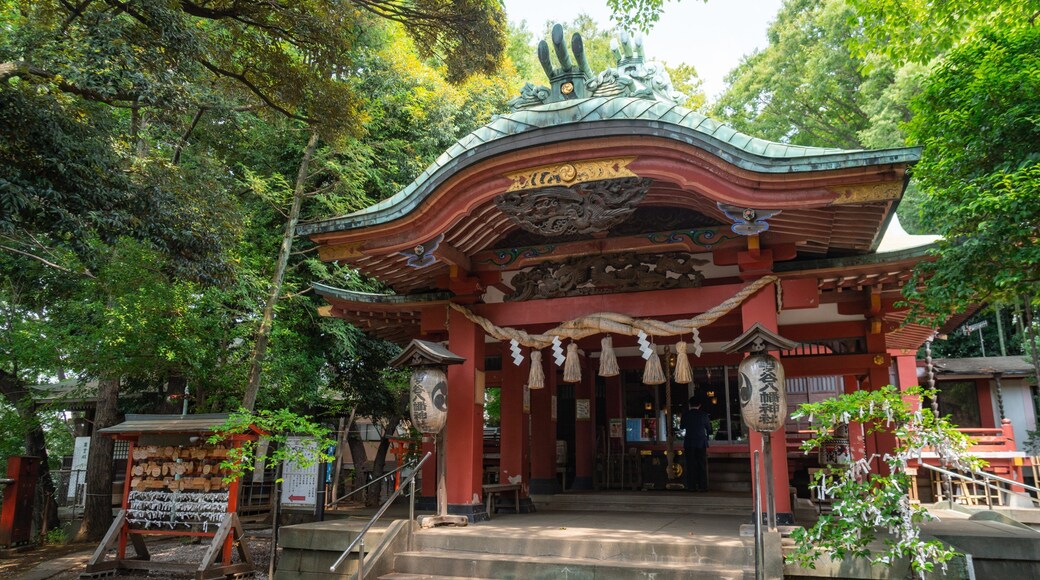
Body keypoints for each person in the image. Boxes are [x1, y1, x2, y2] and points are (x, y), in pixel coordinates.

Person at [680, 397, 711, 492]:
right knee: (701, 464)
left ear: (690, 405)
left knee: (690, 464)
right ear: (699, 405)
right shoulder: (704, 415)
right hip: (701, 442)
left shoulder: (686, 415)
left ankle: (691, 486)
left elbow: (682, 426)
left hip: (689, 442)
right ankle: (703, 486)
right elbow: (709, 429)